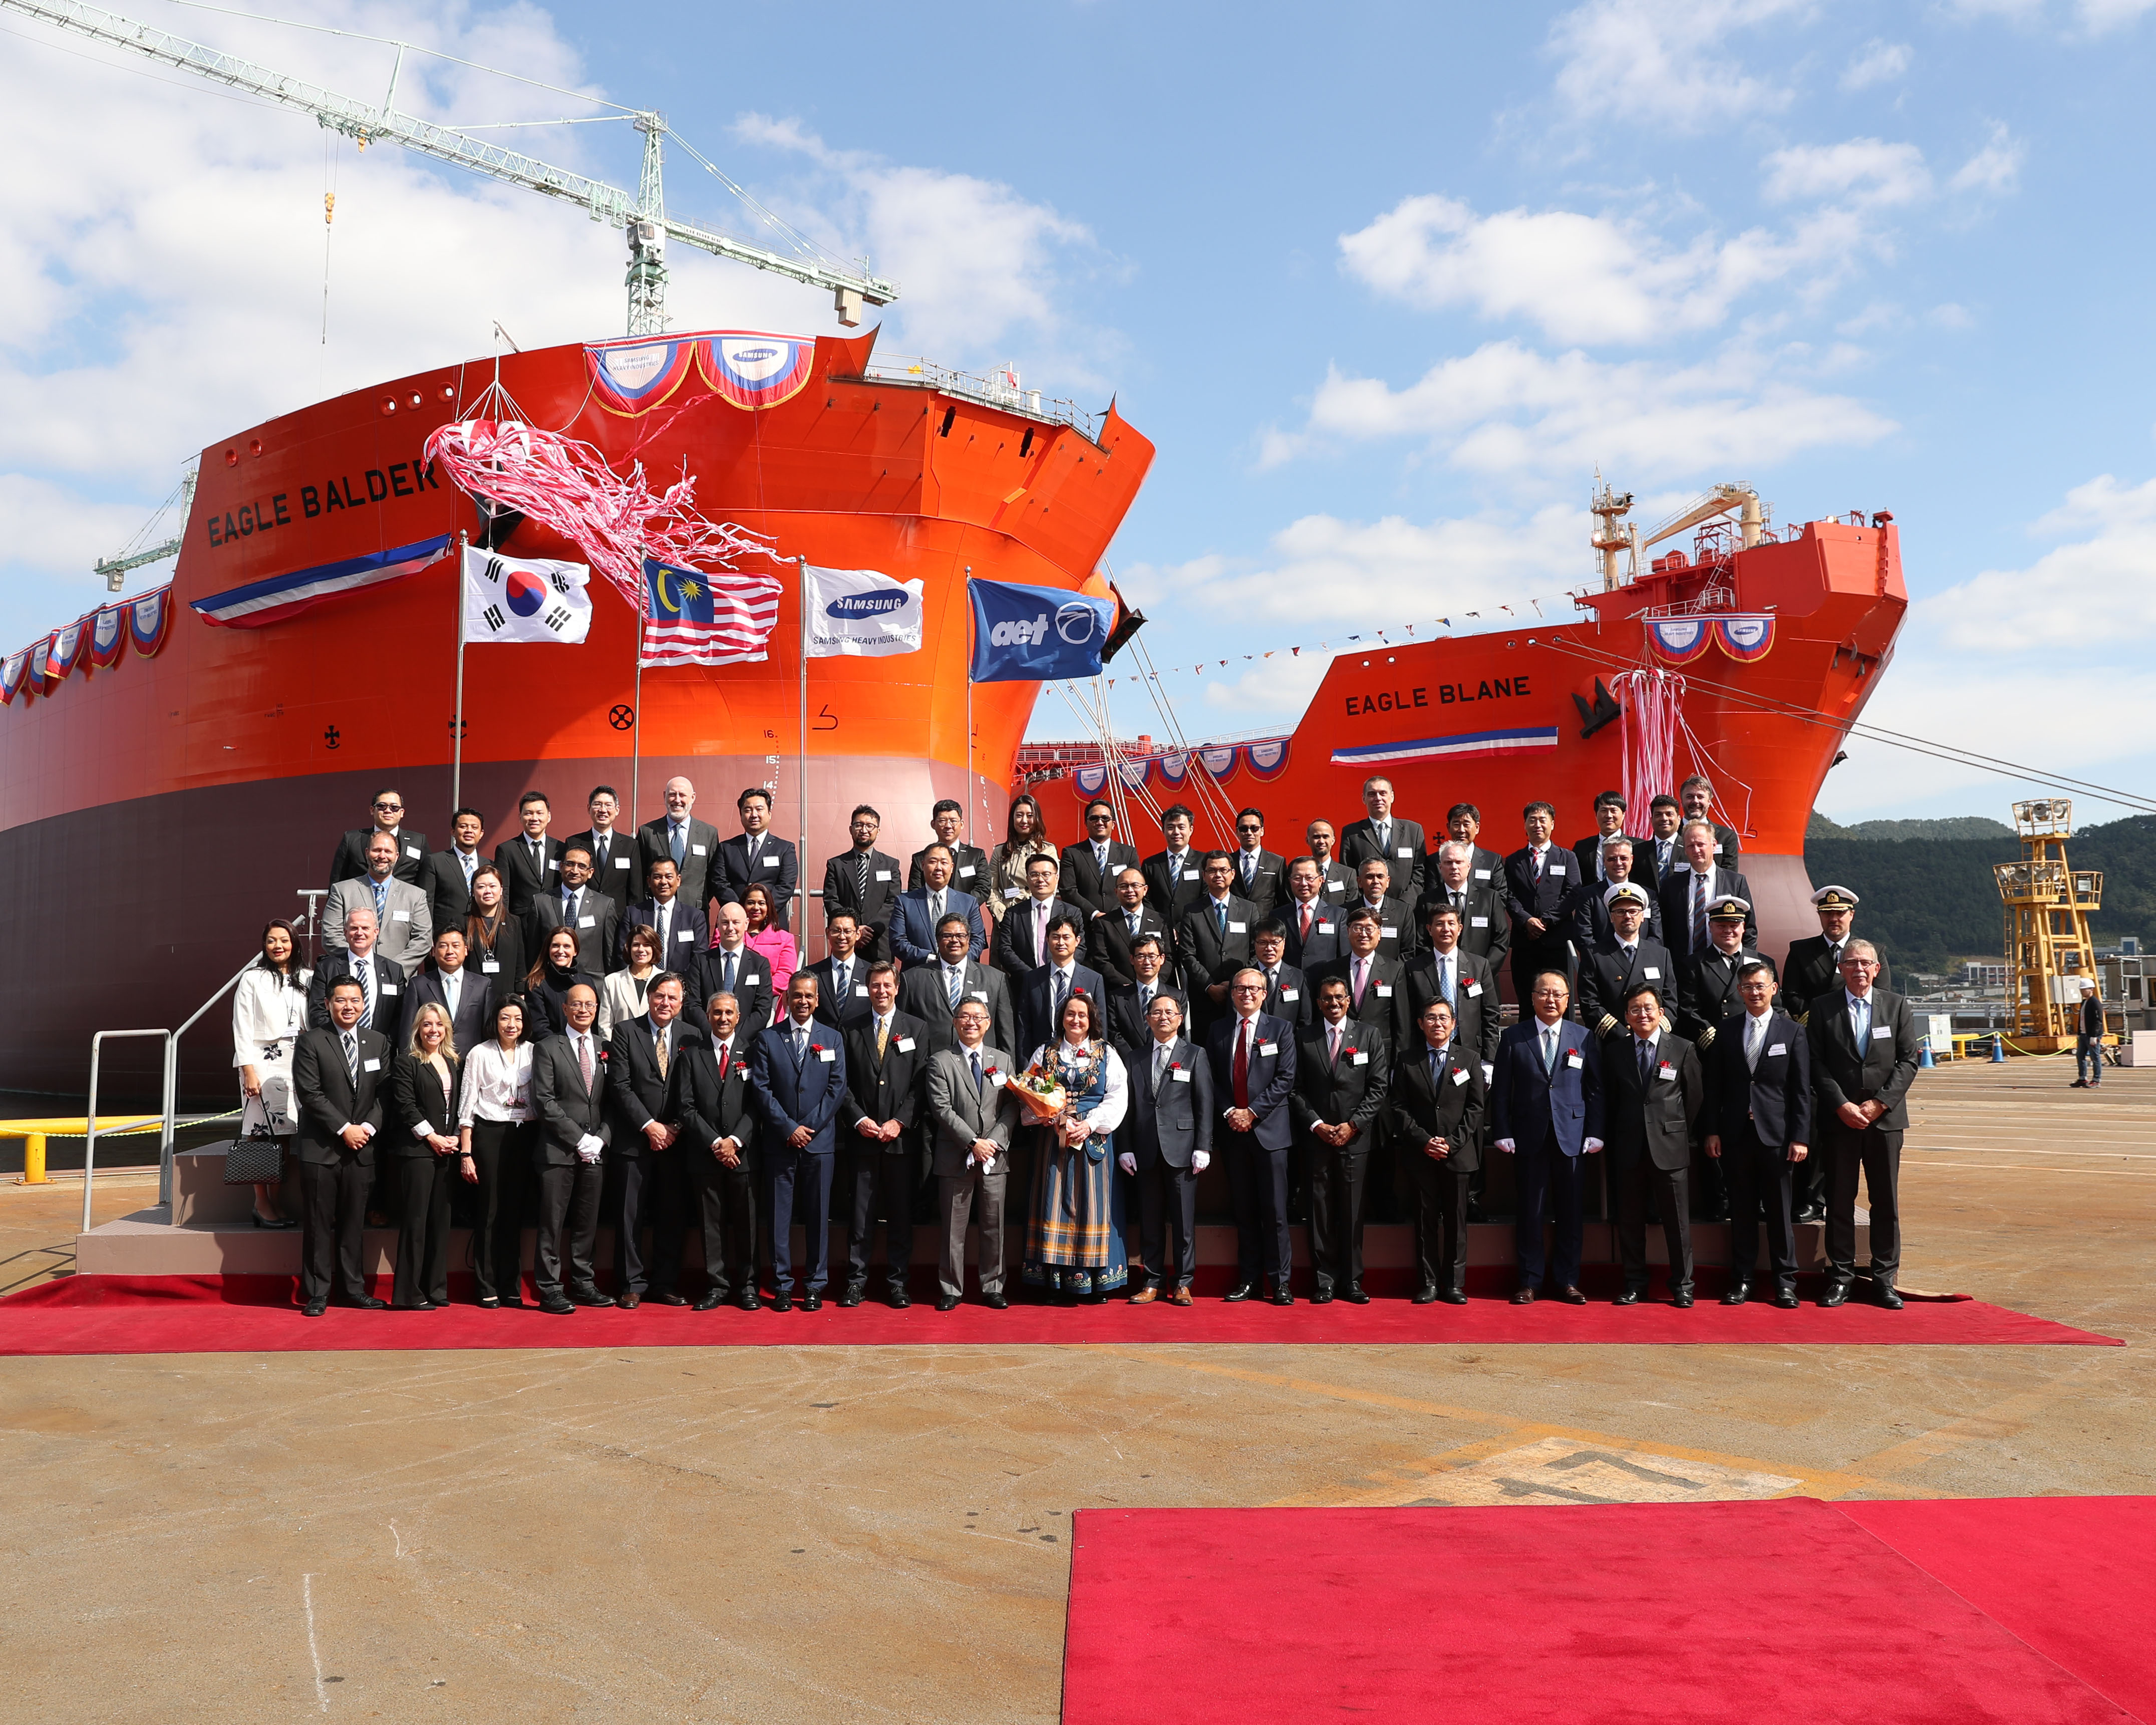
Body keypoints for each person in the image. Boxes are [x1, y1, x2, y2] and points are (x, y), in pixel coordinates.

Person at [1808, 940, 1920, 1310]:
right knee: (1839, 1201)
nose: (1859, 969)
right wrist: (1840, 1104)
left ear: (1876, 968)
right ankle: (1840, 1277)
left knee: (1884, 1201)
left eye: (1865, 963)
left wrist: (1880, 1103)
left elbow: (1908, 1061)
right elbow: (1816, 1064)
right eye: (1851, 963)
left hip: (1884, 1122)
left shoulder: (1896, 1006)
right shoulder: (1822, 1009)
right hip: (1839, 1121)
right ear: (1840, 969)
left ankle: (1883, 1279)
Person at [1491, 971, 1604, 1304]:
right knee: (1530, 1211)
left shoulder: (1582, 1037)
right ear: (1532, 997)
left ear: (1568, 999)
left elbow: (1595, 1090)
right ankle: (1529, 1281)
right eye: (1544, 993)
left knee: (1570, 1213)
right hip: (1529, 1137)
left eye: (1558, 994)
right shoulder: (1513, 1037)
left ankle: (1567, 1281)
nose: (1551, 1000)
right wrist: (1502, 1131)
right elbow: (1500, 1092)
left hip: (1572, 1138)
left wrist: (1595, 1131)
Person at [1704, 958, 1810, 1308]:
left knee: (1779, 1213)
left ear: (1773, 989)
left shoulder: (1792, 1032)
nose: (1754, 992)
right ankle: (1743, 1280)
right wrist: (1712, 1131)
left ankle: (1784, 1283)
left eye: (1760, 986)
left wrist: (1800, 1136)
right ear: (1739, 991)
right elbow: (1714, 1087)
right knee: (1742, 1211)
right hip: (1736, 1135)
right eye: (1747, 987)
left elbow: (1800, 1090)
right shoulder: (1727, 1030)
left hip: (1777, 1137)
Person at [290, 978, 392, 1316]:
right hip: (322, 1147)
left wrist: (366, 1128)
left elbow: (385, 1093)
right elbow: (310, 1093)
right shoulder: (310, 1042)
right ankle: (318, 1292)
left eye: (355, 1000)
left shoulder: (378, 1042)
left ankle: (353, 1289)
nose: (349, 1006)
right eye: (341, 1000)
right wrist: (344, 1128)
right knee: (319, 1223)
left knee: (353, 1223)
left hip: (362, 1149)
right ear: (327, 1003)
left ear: (364, 1004)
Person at [1021, 989, 1130, 1301]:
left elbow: (1117, 1096)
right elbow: (1029, 1091)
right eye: (1070, 1014)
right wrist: (1044, 1115)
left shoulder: (1107, 1053)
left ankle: (1094, 1284)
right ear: (1062, 1018)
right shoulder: (1045, 1052)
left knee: (1092, 1207)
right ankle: (1053, 1283)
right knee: (1053, 1204)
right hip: (1053, 1142)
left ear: (1092, 1019)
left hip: (1092, 1141)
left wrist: (1090, 1124)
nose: (1076, 1020)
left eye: (1082, 1014)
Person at [750, 974, 848, 1310]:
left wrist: (808, 1128)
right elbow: (761, 1090)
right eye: (796, 996)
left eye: (808, 996)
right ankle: (780, 1285)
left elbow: (837, 1089)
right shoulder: (767, 1039)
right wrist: (788, 1128)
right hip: (780, 1143)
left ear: (817, 1000)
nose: (803, 1001)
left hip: (819, 1144)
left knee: (819, 1216)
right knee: (779, 1217)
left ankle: (814, 1285)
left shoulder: (832, 1038)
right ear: (787, 999)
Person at [1604, 982, 1704, 1307]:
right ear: (1626, 1016)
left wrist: (1674, 1129)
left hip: (1670, 1148)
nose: (1642, 1014)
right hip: (1629, 1148)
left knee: (1677, 1222)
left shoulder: (1682, 1048)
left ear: (1661, 1013)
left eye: (1648, 1008)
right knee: (1630, 1222)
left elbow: (1694, 1098)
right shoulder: (1615, 1051)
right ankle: (1635, 1283)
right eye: (1635, 1009)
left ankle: (1682, 1285)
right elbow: (1611, 1101)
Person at [1293, 975, 1390, 1303]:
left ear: (1349, 1000)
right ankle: (1324, 1281)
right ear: (1318, 1003)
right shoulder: (1303, 1037)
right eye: (1326, 999)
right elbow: (1295, 1089)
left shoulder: (1368, 1035)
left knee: (1352, 1211)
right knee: (1319, 1211)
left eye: (1338, 997)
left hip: (1355, 1139)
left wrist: (1354, 1125)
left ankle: (1352, 1281)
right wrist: (1317, 1125)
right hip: (1316, 1138)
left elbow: (1378, 1087)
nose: (1333, 1003)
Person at [838, 964, 929, 1308]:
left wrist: (899, 1122)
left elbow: (921, 1083)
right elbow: (841, 1083)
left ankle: (897, 1283)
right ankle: (855, 1282)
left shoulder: (916, 1029)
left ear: (897, 988)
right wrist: (858, 1118)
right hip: (862, 1138)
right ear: (867, 989)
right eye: (874, 986)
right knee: (860, 1216)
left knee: (899, 1215)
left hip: (899, 1141)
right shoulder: (850, 1029)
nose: (881, 991)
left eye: (886, 985)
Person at [1385, 998, 1486, 1305]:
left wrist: (1452, 1143)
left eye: (1444, 1018)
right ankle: (1428, 1282)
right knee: (1425, 1220)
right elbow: (1398, 1106)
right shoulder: (1407, 1059)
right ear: (1420, 1023)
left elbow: (1476, 1107)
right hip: (1421, 1153)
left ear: (1454, 1024)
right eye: (1431, 1018)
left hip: (1457, 1155)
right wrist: (1424, 1140)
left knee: (1457, 1223)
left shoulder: (1469, 1059)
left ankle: (1454, 1284)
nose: (1438, 1023)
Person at [1208, 967, 1299, 1304]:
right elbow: (1212, 1080)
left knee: (1275, 1213)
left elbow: (1285, 1079)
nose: (1246, 994)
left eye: (1253, 989)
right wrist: (1231, 1112)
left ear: (1264, 994)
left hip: (1270, 1133)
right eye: (1240, 988)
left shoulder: (1281, 1029)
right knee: (1244, 1211)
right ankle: (1249, 1281)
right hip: (1234, 1133)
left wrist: (1253, 1112)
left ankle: (1280, 1283)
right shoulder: (1217, 1030)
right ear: (1231, 993)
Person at [606, 971, 696, 1308]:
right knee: (630, 1216)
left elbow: (694, 1089)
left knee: (671, 1215)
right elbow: (620, 1085)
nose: (665, 1003)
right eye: (660, 996)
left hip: (676, 1142)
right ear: (649, 997)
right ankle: (631, 1283)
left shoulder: (692, 1035)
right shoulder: (626, 1032)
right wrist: (649, 1126)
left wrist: (672, 1126)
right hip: (634, 1140)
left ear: (681, 1002)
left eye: (673, 998)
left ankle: (664, 1282)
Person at [925, 998, 1022, 1310]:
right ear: (955, 1022)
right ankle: (951, 1288)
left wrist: (992, 1142)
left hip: (995, 1156)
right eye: (965, 1017)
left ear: (989, 1022)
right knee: (954, 1228)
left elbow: (1011, 1107)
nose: (972, 1022)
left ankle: (993, 1286)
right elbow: (941, 1109)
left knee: (994, 1226)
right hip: (956, 1156)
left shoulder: (1003, 1060)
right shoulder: (941, 1061)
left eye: (978, 1017)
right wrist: (972, 1143)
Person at [1120, 991, 1210, 1306]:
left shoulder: (1195, 1054)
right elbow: (1127, 1108)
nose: (1163, 1017)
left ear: (1180, 1018)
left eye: (1170, 1013)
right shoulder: (1134, 1057)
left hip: (1183, 1149)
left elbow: (1205, 1104)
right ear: (1147, 1019)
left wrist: (1203, 1146)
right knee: (1150, 1220)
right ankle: (1152, 1281)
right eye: (1156, 1012)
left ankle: (1183, 1282)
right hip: (1145, 1150)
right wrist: (1126, 1147)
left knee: (1184, 1221)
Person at [674, 991, 761, 1311]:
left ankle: (749, 1286)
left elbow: (758, 1104)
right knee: (710, 1224)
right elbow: (685, 1107)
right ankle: (718, 1286)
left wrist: (736, 1140)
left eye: (729, 1013)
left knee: (747, 1223)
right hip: (705, 1154)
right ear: (708, 1017)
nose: (723, 1018)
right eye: (717, 1013)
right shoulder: (691, 1055)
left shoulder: (753, 1053)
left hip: (744, 1154)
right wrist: (715, 1143)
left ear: (738, 1017)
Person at [529, 981, 612, 1313]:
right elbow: (544, 1102)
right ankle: (550, 1288)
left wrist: (601, 1138)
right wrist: (579, 1139)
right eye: (576, 1005)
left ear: (596, 1010)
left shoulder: (606, 1046)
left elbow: (614, 1100)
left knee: (586, 1221)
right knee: (552, 1222)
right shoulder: (548, 1046)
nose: (583, 1010)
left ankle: (583, 1283)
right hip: (558, 1151)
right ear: (564, 1009)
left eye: (589, 1005)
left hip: (596, 1151)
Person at [456, 997, 537, 1308]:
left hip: (524, 1134)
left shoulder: (533, 1052)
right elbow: (468, 1102)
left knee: (514, 1213)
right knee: (489, 1211)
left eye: (517, 1019)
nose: (511, 1025)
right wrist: (467, 1151)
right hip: (490, 1133)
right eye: (505, 1018)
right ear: (495, 1020)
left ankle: (511, 1285)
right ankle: (486, 1284)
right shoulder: (480, 1053)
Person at [231, 918, 310, 1228]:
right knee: (259, 1132)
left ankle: (275, 1201)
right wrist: (248, 1069)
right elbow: (241, 1026)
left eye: (285, 940)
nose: (279, 946)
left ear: (295, 943)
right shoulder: (253, 979)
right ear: (264, 945)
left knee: (285, 1135)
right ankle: (260, 1203)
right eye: (272, 941)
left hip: (297, 1061)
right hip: (263, 1060)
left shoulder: (308, 977)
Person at [389, 1001, 462, 1311]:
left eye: (439, 1024)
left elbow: (460, 1104)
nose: (434, 1030)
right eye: (427, 1024)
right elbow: (406, 1106)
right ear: (418, 1028)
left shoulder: (453, 1062)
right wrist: (432, 1137)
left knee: (440, 1222)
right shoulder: (407, 1062)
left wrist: (456, 1137)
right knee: (416, 1222)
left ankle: (436, 1288)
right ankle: (409, 1293)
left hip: (447, 1149)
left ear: (447, 1029)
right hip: (418, 1150)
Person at [898, 914, 1017, 1055]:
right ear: (938, 940)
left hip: (982, 1067)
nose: (955, 940)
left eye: (961, 936)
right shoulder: (912, 979)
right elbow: (903, 1028)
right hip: (928, 1065)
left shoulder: (995, 979)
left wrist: (1009, 1072)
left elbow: (1006, 1033)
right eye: (947, 936)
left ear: (968, 939)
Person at [1404, 903, 1500, 1073]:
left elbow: (1490, 1014)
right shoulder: (1414, 968)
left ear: (1460, 928)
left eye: (1451, 923)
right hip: (1426, 1051)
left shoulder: (1479, 966)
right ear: (1429, 929)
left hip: (1471, 1050)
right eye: (1439, 924)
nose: (1446, 929)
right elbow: (1408, 1017)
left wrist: (1489, 1059)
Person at [1577, 882, 1676, 1038]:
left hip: (1654, 1040)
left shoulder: (1661, 955)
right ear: (1611, 917)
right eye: (1621, 912)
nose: (1628, 916)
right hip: (1614, 1041)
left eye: (1633, 911)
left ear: (1642, 916)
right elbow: (1590, 1004)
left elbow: (1670, 1001)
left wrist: (1655, 1031)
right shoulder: (1594, 955)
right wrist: (1623, 1036)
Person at [1175, 850, 1258, 1037]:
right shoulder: (1192, 911)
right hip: (1205, 998)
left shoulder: (1249, 909)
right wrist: (1209, 987)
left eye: (1223, 870)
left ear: (1233, 874)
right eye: (1212, 870)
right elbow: (1188, 955)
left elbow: (1256, 951)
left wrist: (1237, 984)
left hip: (1242, 995)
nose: (1218, 875)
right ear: (1204, 875)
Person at [1781, 886, 1892, 1019]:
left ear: (1851, 915)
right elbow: (1792, 994)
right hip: (1815, 1027)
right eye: (1828, 913)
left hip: (1859, 1022)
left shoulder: (1874, 951)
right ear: (1819, 915)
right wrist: (1814, 1019)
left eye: (1840, 913)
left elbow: (1882, 993)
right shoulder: (1801, 951)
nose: (1834, 919)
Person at [1502, 803, 1573, 1010]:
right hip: (1525, 943)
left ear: (1553, 824)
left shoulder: (1567, 857)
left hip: (1557, 942)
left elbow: (1572, 894)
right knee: (1527, 1002)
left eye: (1543, 820)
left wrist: (1545, 921)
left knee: (1558, 1001)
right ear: (1525, 825)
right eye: (1532, 820)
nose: (1538, 825)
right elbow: (1508, 895)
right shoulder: (1514, 860)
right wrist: (1527, 921)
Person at [325, 831, 433, 966]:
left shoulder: (416, 896)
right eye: (377, 850)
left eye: (388, 851)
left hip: (398, 980)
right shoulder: (342, 891)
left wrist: (394, 970)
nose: (382, 856)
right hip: (353, 978)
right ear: (367, 853)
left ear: (397, 856)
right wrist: (361, 963)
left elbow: (423, 940)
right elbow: (331, 935)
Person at [1309, 907, 1409, 1050]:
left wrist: (1398, 1065)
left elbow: (1402, 1022)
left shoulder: (1395, 970)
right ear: (1348, 932)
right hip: (1339, 1048)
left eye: (1369, 929)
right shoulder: (1332, 969)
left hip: (1380, 1051)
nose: (1363, 934)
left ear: (1379, 934)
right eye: (1357, 928)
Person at [1658, 819, 1754, 965]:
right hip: (1683, 967)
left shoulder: (1735, 882)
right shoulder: (1671, 886)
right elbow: (1664, 930)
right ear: (1685, 850)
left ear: (1714, 845)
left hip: (1725, 966)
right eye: (1690, 846)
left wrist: (1745, 965)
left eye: (1701, 844)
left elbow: (1750, 928)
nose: (1696, 850)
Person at [1017, 913, 1106, 1060]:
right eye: (1055, 937)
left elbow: (1100, 1024)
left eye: (1066, 937)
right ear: (1047, 940)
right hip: (1041, 1060)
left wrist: (1097, 1061)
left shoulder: (1093, 979)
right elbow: (1024, 1027)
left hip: (1083, 1060)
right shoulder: (1032, 979)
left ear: (1077, 941)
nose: (1061, 942)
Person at [306, 908, 407, 1034]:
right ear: (345, 932)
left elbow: (400, 1016)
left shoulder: (394, 970)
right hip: (336, 1047)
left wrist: (384, 1045)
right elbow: (318, 1012)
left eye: (365, 928)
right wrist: (339, 1040)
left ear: (376, 932)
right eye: (354, 928)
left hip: (381, 1049)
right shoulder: (326, 968)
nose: (359, 933)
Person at [618, 856, 709, 993]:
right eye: (658, 877)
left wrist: (680, 986)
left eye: (669, 877)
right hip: (639, 988)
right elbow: (623, 953)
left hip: (680, 991)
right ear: (649, 881)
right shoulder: (633, 913)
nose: (664, 882)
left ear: (678, 880)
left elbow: (699, 957)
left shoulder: (694, 917)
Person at [526, 841, 618, 976]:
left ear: (590, 872)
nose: (575, 871)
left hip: (590, 984)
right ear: (561, 867)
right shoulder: (541, 902)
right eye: (570, 864)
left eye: (582, 866)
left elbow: (610, 953)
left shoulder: (605, 905)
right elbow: (533, 951)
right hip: (550, 982)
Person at [823, 804, 902, 961]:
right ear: (851, 829)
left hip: (879, 941)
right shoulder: (836, 864)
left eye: (870, 826)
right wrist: (854, 929)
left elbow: (892, 901)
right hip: (846, 940)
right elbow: (831, 900)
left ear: (878, 831)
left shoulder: (890, 864)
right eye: (859, 825)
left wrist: (870, 929)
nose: (864, 830)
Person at [715, 787, 799, 931]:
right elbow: (719, 883)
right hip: (734, 924)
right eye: (748, 810)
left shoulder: (785, 848)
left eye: (759, 809)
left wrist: (763, 910)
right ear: (741, 815)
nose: (754, 815)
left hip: (772, 923)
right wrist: (741, 911)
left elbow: (786, 886)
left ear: (769, 813)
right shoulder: (727, 848)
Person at [400, 927, 492, 1058]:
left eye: (456, 946)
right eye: (443, 946)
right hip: (430, 1063)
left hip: (471, 1062)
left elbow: (488, 1032)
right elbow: (407, 1032)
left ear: (465, 950)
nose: (450, 951)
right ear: (433, 951)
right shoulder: (418, 985)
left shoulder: (482, 986)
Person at [638, 776, 721, 920]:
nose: (677, 800)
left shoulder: (709, 833)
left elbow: (713, 876)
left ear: (693, 797)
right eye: (672, 794)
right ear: (665, 796)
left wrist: (696, 897)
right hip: (656, 911)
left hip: (695, 912)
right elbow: (641, 874)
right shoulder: (647, 832)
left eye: (682, 795)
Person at [892, 844, 988, 967]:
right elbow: (898, 941)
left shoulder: (969, 903)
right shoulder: (905, 902)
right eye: (933, 862)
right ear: (923, 865)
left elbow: (978, 940)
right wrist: (930, 958)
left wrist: (956, 960)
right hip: (919, 974)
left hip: (959, 974)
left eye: (944, 863)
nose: (939, 868)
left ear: (952, 867)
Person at [1421, 841, 1510, 972]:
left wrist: (1482, 972)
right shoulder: (1426, 901)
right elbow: (1421, 941)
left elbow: (1500, 941)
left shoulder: (1490, 899)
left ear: (1469, 866)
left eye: (1459, 862)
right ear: (1440, 867)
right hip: (1440, 975)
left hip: (1482, 978)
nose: (1454, 867)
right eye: (1448, 863)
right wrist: (1441, 968)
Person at [996, 852, 1083, 979]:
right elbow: (1005, 950)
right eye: (1034, 875)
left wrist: (1058, 970)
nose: (1040, 880)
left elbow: (1080, 948)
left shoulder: (1072, 912)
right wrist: (1032, 976)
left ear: (1057, 878)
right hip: (1025, 983)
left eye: (1046, 874)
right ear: (1027, 879)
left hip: (1062, 980)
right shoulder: (1013, 914)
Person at [328, 787, 429, 896]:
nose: (388, 811)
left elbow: (426, 883)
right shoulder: (351, 839)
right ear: (372, 810)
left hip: (404, 906)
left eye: (394, 807)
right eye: (382, 806)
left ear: (402, 812)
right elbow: (337, 880)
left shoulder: (418, 842)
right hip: (359, 907)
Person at [1341, 775, 1427, 900]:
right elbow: (1349, 875)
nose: (1378, 798)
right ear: (1364, 798)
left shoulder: (1413, 830)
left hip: (1407, 910)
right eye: (1372, 794)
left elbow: (1420, 873)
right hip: (1367, 910)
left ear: (1392, 796)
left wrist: (1406, 904)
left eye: (1383, 793)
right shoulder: (1352, 833)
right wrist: (1366, 904)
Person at [1569, 836, 1663, 950]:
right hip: (1602, 964)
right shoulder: (1588, 896)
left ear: (1632, 860)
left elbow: (1656, 937)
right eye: (1612, 859)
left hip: (1642, 962)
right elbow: (1583, 938)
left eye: (1624, 858)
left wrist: (1637, 957)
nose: (1618, 863)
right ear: (1604, 861)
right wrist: (1610, 960)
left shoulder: (1649, 896)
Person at [1089, 865, 1173, 990]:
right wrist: (1130, 987)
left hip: (1156, 992)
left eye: (1135, 885)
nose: (1130, 890)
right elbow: (1101, 960)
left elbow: (1169, 958)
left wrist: (1151, 983)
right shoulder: (1104, 923)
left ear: (1145, 890)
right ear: (1116, 891)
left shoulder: (1162, 921)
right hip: (1119, 992)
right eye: (1124, 886)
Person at [1059, 798, 1141, 922]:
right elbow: (1068, 891)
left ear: (1113, 824)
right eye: (1094, 818)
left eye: (1105, 818)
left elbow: (1135, 887)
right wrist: (1094, 914)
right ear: (1086, 824)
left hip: (1121, 923)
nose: (1100, 822)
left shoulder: (1129, 853)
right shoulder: (1071, 853)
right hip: (1086, 924)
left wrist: (1115, 914)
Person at [985, 793, 1057, 924]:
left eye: (1030, 816)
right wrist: (1001, 913)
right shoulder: (1000, 852)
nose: (1024, 821)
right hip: (1006, 916)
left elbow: (1051, 887)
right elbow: (991, 887)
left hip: (1036, 916)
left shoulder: (1048, 850)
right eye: (1019, 815)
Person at [493, 790, 562, 918]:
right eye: (528, 813)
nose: (534, 818)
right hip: (521, 921)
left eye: (540, 813)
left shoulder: (560, 848)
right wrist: (504, 922)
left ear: (549, 817)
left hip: (554, 918)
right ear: (520, 817)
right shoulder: (507, 850)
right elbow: (504, 891)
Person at [523, 927, 599, 1042]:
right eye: (555, 946)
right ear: (548, 949)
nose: (560, 951)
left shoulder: (587, 982)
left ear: (575, 951)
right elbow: (539, 1027)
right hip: (554, 1051)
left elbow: (594, 1022)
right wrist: (564, 1049)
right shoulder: (537, 983)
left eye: (567, 946)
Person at [804, 910, 875, 1032]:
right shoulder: (812, 973)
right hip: (823, 1044)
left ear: (858, 934)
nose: (842, 937)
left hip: (860, 1045)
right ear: (828, 933)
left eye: (848, 932)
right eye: (836, 931)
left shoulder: (871, 973)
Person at [461, 864, 525, 998]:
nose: (488, 891)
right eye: (481, 887)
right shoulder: (461, 922)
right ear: (473, 892)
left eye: (493, 886)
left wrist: (520, 993)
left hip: (506, 998)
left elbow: (520, 964)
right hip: (471, 997)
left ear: (501, 890)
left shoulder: (514, 923)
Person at [569, 783, 640, 902]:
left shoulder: (630, 846)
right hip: (583, 913)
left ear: (617, 810)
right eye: (597, 805)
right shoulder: (574, 843)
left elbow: (636, 890)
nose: (603, 810)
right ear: (589, 808)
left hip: (618, 917)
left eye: (608, 805)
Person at [908, 797, 990, 898]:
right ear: (933, 824)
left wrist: (960, 907)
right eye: (942, 821)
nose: (948, 826)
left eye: (953, 821)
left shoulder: (976, 856)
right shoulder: (920, 858)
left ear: (962, 824)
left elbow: (983, 889)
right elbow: (915, 891)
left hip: (966, 912)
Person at [428, 806, 488, 937]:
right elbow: (427, 903)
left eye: (474, 827)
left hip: (481, 934)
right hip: (446, 936)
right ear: (453, 831)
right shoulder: (435, 862)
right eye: (463, 827)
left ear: (481, 833)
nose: (469, 831)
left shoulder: (489, 865)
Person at [1279, 857, 1346, 972]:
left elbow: (1344, 956)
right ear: (1290, 880)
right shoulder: (1279, 915)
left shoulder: (1338, 915)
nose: (1304, 883)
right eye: (1297, 878)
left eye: (1310, 878)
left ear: (1321, 880)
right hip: (1291, 984)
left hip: (1325, 983)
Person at [1143, 803, 1206, 921]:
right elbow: (1146, 899)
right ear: (1164, 831)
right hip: (1160, 929)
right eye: (1171, 827)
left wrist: (1186, 926)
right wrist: (1161, 924)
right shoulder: (1151, 865)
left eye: (1181, 827)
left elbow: (1206, 897)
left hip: (1194, 928)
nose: (1176, 832)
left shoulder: (1204, 861)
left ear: (1191, 830)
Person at [1348, 857, 1415, 963]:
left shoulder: (1403, 911)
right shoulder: (1346, 911)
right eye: (1370, 877)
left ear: (1388, 881)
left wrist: (1392, 974)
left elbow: (1408, 952)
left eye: (1380, 876)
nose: (1376, 881)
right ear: (1360, 882)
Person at [1228, 807, 1287, 920]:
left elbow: (1283, 900)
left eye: (1254, 828)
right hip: (1234, 925)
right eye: (1244, 829)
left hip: (1265, 927)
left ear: (1262, 831)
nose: (1249, 833)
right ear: (1237, 832)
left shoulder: (1277, 862)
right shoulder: (1228, 861)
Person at [740, 882, 796, 995]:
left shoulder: (785, 939)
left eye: (762, 903)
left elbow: (786, 974)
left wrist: (761, 993)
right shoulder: (727, 934)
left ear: (768, 907)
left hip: (768, 1001)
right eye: (751, 903)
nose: (756, 908)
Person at [1251, 923, 1308, 1027]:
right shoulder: (1242, 979)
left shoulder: (1300, 978)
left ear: (1284, 943)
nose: (1269, 948)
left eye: (1275, 943)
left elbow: (1304, 1022)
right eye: (1263, 943)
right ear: (1255, 944)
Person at [1679, 774, 1742, 867]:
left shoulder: (1726, 836)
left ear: (1709, 802)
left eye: (1700, 797)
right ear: (1682, 801)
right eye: (1690, 797)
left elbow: (1729, 876)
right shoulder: (1671, 834)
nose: (1695, 801)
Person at [1571, 791, 1631, 885]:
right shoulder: (1582, 847)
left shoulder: (1638, 846)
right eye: (1604, 811)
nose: (1609, 816)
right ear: (1596, 815)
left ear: (1623, 815)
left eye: (1614, 811)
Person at [1442, 802, 1506, 890]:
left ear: (1477, 828)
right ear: (1448, 827)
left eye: (1466, 824)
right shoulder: (1435, 860)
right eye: (1456, 825)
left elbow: (1500, 896)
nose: (1461, 830)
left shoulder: (1493, 861)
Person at [1304, 818, 1356, 901]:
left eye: (1326, 837)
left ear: (1333, 841)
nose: (1321, 841)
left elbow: (1351, 908)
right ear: (1308, 841)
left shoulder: (1348, 875)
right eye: (1316, 837)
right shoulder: (1299, 873)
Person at [1639, 794, 1685, 887]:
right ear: (1652, 820)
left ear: (1679, 819)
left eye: (1669, 814)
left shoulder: (1690, 849)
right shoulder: (1638, 851)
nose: (1664, 818)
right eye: (1658, 815)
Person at [2073, 980, 2105, 1089]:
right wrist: (2079, 1033)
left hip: (2091, 1035)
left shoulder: (2095, 1003)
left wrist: (2095, 1036)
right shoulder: (2084, 1002)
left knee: (2095, 1057)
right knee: (2080, 1056)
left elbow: (2098, 1020)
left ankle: (2097, 1079)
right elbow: (2081, 1019)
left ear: (2092, 989)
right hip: (2083, 1034)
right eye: (2081, 989)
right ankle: (2082, 1078)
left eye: (2084, 989)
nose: (2082, 991)